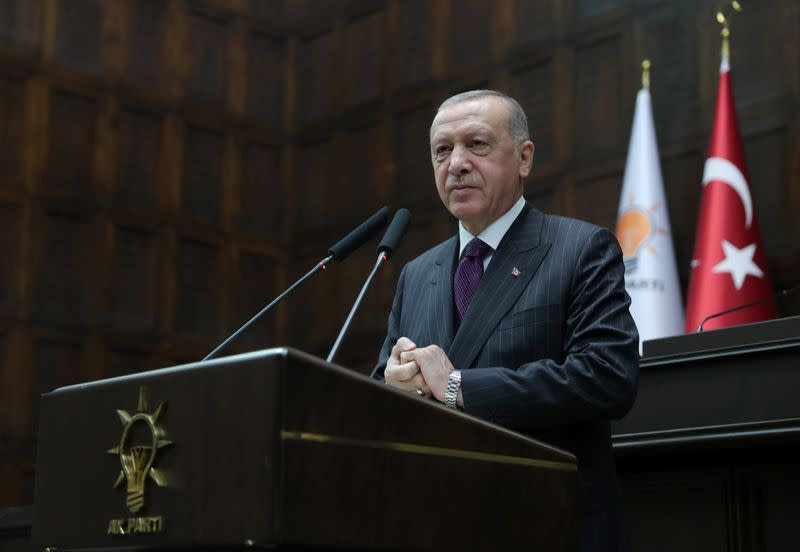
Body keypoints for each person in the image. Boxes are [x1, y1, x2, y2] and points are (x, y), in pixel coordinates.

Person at [371, 90, 639, 552]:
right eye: (442, 150)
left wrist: (458, 388)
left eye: (476, 144)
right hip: (435, 527)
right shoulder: (416, 274)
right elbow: (377, 404)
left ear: (524, 158)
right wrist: (391, 387)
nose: (455, 163)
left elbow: (607, 377)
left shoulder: (579, 249)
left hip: (547, 525)